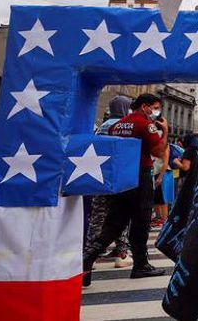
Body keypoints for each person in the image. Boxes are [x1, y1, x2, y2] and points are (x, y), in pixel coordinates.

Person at [82, 93, 167, 286]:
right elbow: (158, 151)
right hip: (141, 175)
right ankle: (141, 264)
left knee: (114, 223)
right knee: (141, 222)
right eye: (154, 107)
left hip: (122, 177)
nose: (155, 112)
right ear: (145, 107)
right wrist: (165, 132)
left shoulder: (116, 125)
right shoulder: (145, 125)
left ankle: (87, 259)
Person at [85, 95, 132, 269]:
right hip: (120, 177)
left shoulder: (101, 128)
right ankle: (121, 253)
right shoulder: (126, 126)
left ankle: (91, 257)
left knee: (97, 217)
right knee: (121, 216)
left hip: (99, 174)